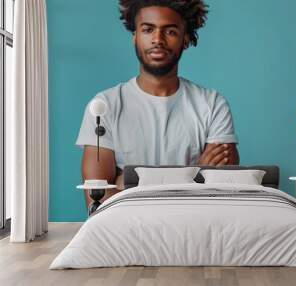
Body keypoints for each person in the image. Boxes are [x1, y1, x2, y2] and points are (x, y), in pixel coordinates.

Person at [76, 0, 240, 209]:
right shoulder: (104, 106)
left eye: (170, 31)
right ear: (134, 36)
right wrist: (195, 175)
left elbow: (220, 197)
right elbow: (96, 204)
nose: (157, 39)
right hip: (127, 235)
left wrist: (124, 185)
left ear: (186, 38)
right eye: (147, 29)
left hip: (195, 232)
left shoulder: (212, 105)